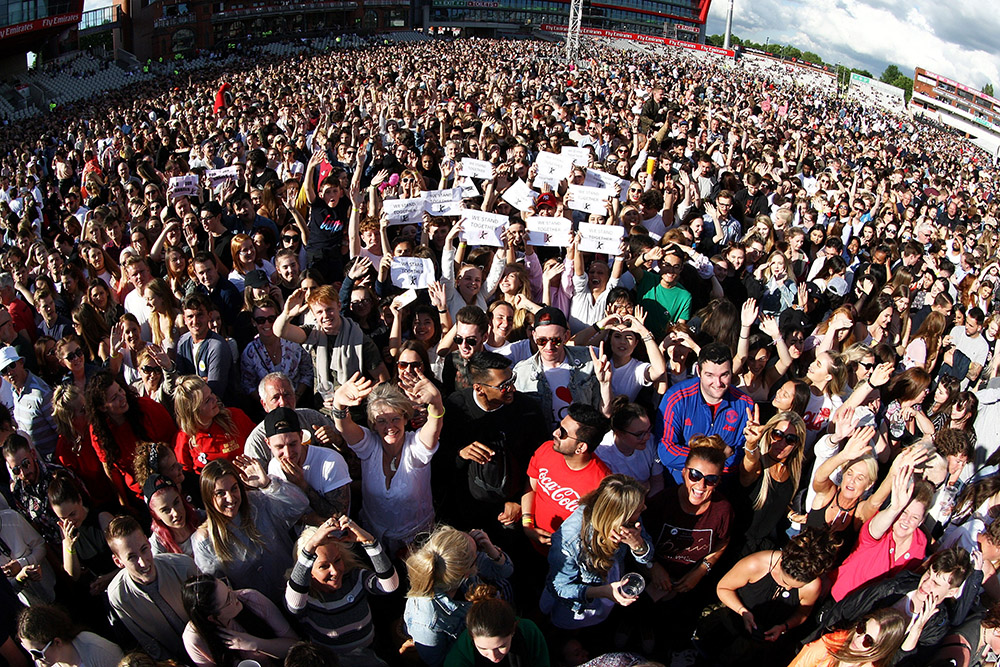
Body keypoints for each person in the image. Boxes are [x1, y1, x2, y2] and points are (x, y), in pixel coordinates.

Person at [694, 528, 842, 666]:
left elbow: (802, 613)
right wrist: (742, 611)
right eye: (785, 582)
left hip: (756, 647)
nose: (788, 588)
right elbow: (723, 588)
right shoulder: (756, 564)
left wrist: (784, 626)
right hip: (727, 626)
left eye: (796, 587)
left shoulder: (813, 586)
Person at [330, 373, 443, 554]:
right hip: (374, 538)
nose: (389, 426)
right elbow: (344, 426)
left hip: (417, 543)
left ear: (405, 418)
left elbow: (434, 427)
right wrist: (338, 404)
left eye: (395, 419)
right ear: (373, 425)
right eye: (381, 421)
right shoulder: (369, 446)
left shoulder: (416, 447)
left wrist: (436, 403)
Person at [437, 351, 548, 531]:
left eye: (512, 380)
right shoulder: (456, 407)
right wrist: (460, 453)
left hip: (509, 512)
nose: (512, 388)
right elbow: (438, 459)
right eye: (504, 386)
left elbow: (539, 462)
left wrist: (520, 501)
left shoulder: (527, 410)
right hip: (465, 511)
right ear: (479, 388)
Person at [810, 547, 979, 662]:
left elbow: (908, 664)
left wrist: (915, 633)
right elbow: (844, 610)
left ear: (951, 592)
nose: (926, 584)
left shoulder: (935, 628)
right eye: (928, 574)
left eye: (936, 584)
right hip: (836, 654)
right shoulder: (893, 588)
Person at [192, 457, 309, 604]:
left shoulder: (258, 503)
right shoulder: (204, 541)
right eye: (220, 493)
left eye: (234, 488)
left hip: (297, 593)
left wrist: (268, 484)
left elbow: (299, 505)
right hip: (261, 610)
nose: (230, 498)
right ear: (209, 497)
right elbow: (217, 591)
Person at [541, 474, 653, 629]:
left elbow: (647, 557)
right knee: (564, 626)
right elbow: (559, 588)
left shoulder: (631, 520)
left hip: (609, 583)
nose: (645, 508)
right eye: (639, 509)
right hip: (578, 603)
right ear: (619, 516)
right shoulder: (571, 540)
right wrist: (603, 592)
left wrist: (637, 544)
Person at [285, 515, 398, 664]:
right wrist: (310, 546)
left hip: (370, 651)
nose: (335, 571)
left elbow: (390, 586)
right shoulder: (307, 596)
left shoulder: (354, 577)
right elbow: (294, 605)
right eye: (324, 566)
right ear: (308, 571)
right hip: (332, 662)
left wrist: (369, 542)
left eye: (337, 560)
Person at [404, 525, 514, 667]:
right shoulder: (427, 621)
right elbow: (438, 662)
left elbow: (506, 571)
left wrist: (491, 550)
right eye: (476, 553)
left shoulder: (457, 568)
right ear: (467, 572)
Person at [105, 514, 200, 661]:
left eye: (144, 549)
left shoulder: (183, 567)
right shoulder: (119, 595)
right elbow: (146, 641)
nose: (143, 562)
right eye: (132, 557)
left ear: (148, 542)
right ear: (118, 561)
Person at [657, 342, 754, 483]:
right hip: (680, 484)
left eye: (724, 375)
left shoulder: (745, 405)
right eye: (710, 375)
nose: (718, 383)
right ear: (698, 371)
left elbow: (740, 458)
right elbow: (666, 451)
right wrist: (716, 457)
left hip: (722, 486)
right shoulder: (677, 398)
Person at [523, 403, 612, 548]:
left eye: (563, 433)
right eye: (559, 426)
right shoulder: (546, 449)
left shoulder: (603, 484)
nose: (555, 433)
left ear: (581, 447)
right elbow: (531, 488)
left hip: (569, 556)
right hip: (531, 543)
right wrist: (527, 525)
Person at [274, 285, 389, 393]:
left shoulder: (359, 340)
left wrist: (358, 393)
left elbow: (383, 379)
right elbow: (280, 331)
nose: (325, 315)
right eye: (319, 312)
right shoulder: (313, 333)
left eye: (329, 309)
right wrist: (287, 314)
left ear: (339, 306)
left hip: (353, 404)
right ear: (313, 314)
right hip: (323, 403)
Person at [85, 371, 178, 505]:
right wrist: (125, 504)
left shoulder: (147, 408)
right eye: (114, 398)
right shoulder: (99, 431)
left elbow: (173, 441)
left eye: (120, 390)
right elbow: (111, 470)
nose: (122, 397)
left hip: (168, 484)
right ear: (102, 407)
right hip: (138, 495)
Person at [512, 306, 613, 428]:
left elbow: (604, 415)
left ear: (566, 336)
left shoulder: (588, 361)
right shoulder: (521, 372)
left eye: (556, 340)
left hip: (581, 437)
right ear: (534, 336)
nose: (549, 346)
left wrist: (605, 384)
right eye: (542, 341)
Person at [182, 573, 299, 667]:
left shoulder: (251, 599)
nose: (235, 595)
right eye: (228, 599)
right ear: (212, 617)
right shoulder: (195, 639)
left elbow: (294, 645)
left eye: (228, 588)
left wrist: (256, 644)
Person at [737, 409, 807, 555]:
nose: (782, 443)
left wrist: (791, 514)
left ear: (797, 444)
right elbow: (749, 463)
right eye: (778, 434)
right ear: (769, 434)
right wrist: (751, 444)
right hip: (738, 544)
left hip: (764, 548)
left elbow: (776, 499)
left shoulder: (793, 472)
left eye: (790, 439)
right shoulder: (759, 465)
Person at [263, 407, 351, 519]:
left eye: (292, 444)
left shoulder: (330, 462)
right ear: (268, 443)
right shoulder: (274, 466)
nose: (288, 453)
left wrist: (302, 485)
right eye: (279, 447)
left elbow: (339, 516)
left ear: (301, 437)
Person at [243, 372, 341, 465]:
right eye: (275, 398)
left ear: (295, 396)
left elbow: (347, 449)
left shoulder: (312, 418)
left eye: (287, 395)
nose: (283, 402)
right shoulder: (256, 441)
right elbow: (256, 475)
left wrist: (337, 440)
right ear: (264, 404)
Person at [444, 585, 549, 667]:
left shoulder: (528, 631)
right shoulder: (460, 657)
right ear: (472, 637)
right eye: (483, 649)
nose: (493, 656)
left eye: (501, 647)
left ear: (513, 631)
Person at [173, 375, 255, 474]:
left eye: (211, 393)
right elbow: (184, 475)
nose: (215, 399)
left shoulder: (234, 417)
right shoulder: (184, 438)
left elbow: (259, 444)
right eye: (207, 400)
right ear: (193, 411)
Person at [2, 433, 68, 545]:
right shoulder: (19, 493)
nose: (23, 472)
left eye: (25, 463)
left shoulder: (57, 475)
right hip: (56, 548)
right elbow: (35, 531)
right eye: (16, 470)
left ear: (33, 454)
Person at [787, 608, 907, 667]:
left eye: (868, 641)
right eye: (861, 628)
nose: (858, 638)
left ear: (881, 649)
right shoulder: (828, 645)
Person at [597, 398, 664, 496]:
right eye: (639, 434)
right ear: (620, 434)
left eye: (649, 430)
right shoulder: (602, 454)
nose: (647, 437)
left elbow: (657, 481)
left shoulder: (650, 441)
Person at [17, 604, 123, 667]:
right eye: (28, 651)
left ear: (57, 642)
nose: (34, 658)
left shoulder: (98, 651)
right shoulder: (47, 663)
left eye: (37, 653)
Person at [0, 345, 58, 459]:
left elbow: (60, 429)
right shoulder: (14, 391)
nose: (10, 372)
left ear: (21, 363)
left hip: (53, 458)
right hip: (34, 460)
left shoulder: (41, 393)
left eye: (12, 365)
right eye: (4, 370)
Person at [176, 293, 237, 400]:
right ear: (184, 319)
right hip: (192, 404)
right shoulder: (183, 342)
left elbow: (215, 391)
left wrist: (189, 383)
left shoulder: (217, 346)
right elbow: (179, 383)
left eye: (200, 315)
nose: (195, 321)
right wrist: (201, 381)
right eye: (190, 316)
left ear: (209, 315)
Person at [142, 473, 204, 556]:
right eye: (165, 510)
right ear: (155, 514)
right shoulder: (158, 546)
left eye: (176, 502)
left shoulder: (203, 518)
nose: (175, 513)